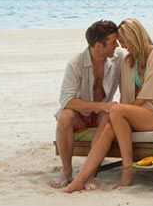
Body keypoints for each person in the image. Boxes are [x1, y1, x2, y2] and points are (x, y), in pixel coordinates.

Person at [64, 17, 153, 192]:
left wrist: (121, 112)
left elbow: (145, 96)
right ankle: (81, 179)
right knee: (109, 127)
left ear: (135, 38)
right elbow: (127, 98)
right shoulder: (128, 61)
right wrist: (121, 116)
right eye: (119, 42)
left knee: (116, 110)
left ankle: (127, 168)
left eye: (124, 41)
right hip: (137, 115)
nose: (122, 46)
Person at [50, 20, 123, 189]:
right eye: (113, 42)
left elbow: (142, 53)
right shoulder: (76, 63)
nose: (117, 45)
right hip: (80, 115)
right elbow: (67, 100)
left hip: (100, 116)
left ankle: (89, 174)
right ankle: (67, 173)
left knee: (108, 115)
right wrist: (102, 106)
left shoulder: (118, 58)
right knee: (64, 115)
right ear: (99, 45)